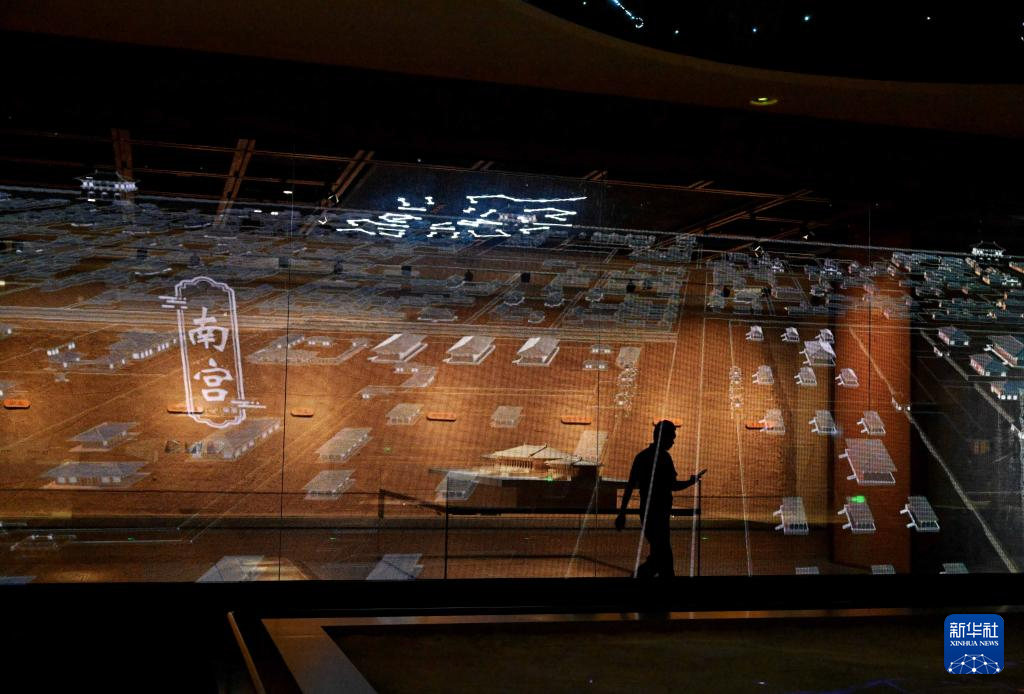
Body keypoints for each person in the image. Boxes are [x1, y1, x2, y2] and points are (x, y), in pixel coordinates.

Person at [615, 420, 706, 578]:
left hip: (647, 513)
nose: (673, 442)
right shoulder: (665, 458)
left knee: (660, 556)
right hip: (660, 515)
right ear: (663, 437)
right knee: (663, 558)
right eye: (672, 437)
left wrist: (622, 513)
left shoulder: (642, 457)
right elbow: (673, 486)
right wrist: (691, 482)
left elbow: (630, 486)